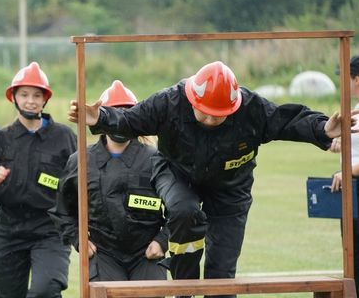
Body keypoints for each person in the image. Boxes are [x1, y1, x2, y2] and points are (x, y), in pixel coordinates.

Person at [69, 61, 357, 298]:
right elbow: (131, 121)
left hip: (232, 189)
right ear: (192, 99)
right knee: (183, 211)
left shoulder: (251, 108)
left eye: (217, 117)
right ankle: (184, 289)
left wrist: (322, 128)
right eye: (203, 114)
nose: (209, 121)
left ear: (233, 107)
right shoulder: (169, 101)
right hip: (176, 173)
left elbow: (288, 120)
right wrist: (99, 118)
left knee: (221, 275)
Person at [0, 62, 76, 298]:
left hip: (51, 230)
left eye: (37, 95)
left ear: (45, 99)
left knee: (46, 290)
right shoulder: (0, 139)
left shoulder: (64, 137)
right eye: (24, 95)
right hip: (8, 231)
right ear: (13, 98)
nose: (31, 101)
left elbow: (83, 183)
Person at [49, 80, 168, 282]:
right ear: (102, 117)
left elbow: (178, 208)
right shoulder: (81, 161)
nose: (119, 119)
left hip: (147, 252)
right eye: (114, 112)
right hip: (104, 254)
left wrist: (162, 240)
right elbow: (63, 211)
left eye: (126, 113)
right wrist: (78, 239)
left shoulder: (155, 159)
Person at [329, 55, 359, 296]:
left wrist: (348, 171)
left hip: (353, 183)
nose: (343, 84)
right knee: (352, 258)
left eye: (346, 79)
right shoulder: (356, 110)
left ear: (357, 80)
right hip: (351, 188)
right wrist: (339, 140)